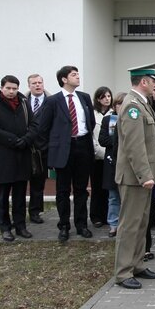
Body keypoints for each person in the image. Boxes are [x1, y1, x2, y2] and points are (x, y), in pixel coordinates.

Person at [113, 64, 155, 290]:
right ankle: (123, 272)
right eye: (154, 81)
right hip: (135, 178)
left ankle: (137, 264)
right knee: (130, 225)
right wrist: (145, 175)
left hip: (143, 176)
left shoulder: (141, 104)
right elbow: (134, 146)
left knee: (142, 223)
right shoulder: (133, 106)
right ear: (144, 82)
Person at [36, 65, 96, 243]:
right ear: (64, 79)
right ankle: (63, 226)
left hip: (82, 147)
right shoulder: (53, 101)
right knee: (63, 190)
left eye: (78, 74)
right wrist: (50, 152)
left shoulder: (84, 98)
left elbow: (90, 122)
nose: (78, 77)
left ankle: (81, 224)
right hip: (63, 151)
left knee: (81, 189)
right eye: (74, 75)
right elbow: (43, 129)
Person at [0, 75, 38, 241]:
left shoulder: (24, 103)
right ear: (2, 88)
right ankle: (5, 228)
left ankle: (20, 226)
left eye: (15, 88)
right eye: (8, 88)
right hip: (4, 156)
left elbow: (34, 125)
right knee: (3, 195)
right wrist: (15, 140)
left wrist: (27, 139)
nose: (11, 91)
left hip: (23, 154)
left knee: (20, 194)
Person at [99, 92, 126, 238]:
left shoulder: (133, 118)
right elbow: (103, 139)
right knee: (113, 196)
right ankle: (113, 224)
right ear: (115, 106)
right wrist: (118, 142)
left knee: (127, 196)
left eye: (124, 103)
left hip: (127, 163)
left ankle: (126, 224)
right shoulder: (108, 119)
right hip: (112, 162)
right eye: (118, 104)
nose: (121, 107)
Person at [26, 73, 49, 224]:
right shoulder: (23, 101)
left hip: (43, 149)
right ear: (29, 86)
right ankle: (19, 214)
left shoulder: (51, 102)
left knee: (38, 182)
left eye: (40, 82)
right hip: (25, 147)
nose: (37, 85)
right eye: (34, 83)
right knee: (21, 182)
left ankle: (35, 211)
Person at [90, 86, 112, 228]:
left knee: (109, 188)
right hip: (96, 156)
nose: (107, 99)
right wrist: (97, 151)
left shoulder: (114, 114)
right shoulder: (92, 114)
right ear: (98, 99)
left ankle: (108, 216)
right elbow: (91, 135)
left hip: (110, 156)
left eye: (109, 96)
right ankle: (96, 216)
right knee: (97, 187)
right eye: (103, 97)